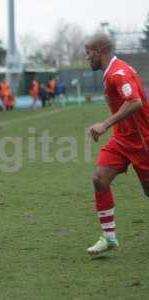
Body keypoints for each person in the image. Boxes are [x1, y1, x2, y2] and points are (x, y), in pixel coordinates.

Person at [84, 33, 149, 256]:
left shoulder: (118, 73)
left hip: (142, 141)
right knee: (99, 178)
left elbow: (135, 102)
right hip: (123, 139)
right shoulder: (111, 71)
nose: (86, 57)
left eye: (89, 52)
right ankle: (109, 237)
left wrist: (105, 124)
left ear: (100, 51)